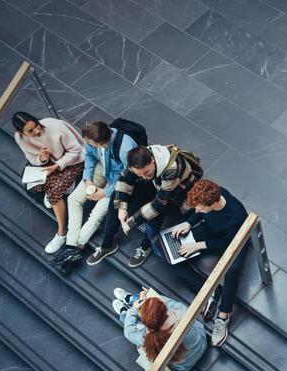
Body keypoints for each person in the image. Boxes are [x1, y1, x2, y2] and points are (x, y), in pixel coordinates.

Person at [87, 144, 202, 267]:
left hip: (180, 193)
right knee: (117, 195)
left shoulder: (172, 169)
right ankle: (107, 244)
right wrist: (121, 207)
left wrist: (131, 222)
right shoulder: (138, 159)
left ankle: (145, 246)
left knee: (155, 215)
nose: (144, 176)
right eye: (140, 174)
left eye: (146, 172)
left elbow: (159, 204)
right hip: (157, 184)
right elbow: (125, 179)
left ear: (152, 160)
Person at [172, 179, 248, 347]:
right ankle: (208, 291)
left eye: (200, 207)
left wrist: (198, 245)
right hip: (212, 231)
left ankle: (223, 315)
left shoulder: (237, 216)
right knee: (174, 256)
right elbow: (199, 212)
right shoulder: (214, 194)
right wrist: (188, 223)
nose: (196, 210)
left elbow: (228, 242)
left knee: (232, 270)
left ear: (213, 204)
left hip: (234, 240)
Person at [50, 122, 137, 268]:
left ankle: (76, 247)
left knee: (96, 214)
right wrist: (88, 180)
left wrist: (105, 192)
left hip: (117, 180)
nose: (88, 145)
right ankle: (71, 246)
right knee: (73, 199)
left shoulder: (126, 148)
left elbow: (129, 177)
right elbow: (90, 157)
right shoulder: (92, 137)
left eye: (91, 144)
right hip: (101, 168)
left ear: (103, 144)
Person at [12, 112, 85, 254]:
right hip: (50, 163)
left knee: (53, 194)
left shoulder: (55, 127)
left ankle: (62, 232)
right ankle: (61, 187)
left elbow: (76, 150)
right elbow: (32, 158)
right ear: (21, 133)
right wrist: (42, 159)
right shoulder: (19, 138)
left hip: (73, 161)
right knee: (33, 185)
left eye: (37, 126)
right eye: (31, 131)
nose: (37, 131)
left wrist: (57, 166)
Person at [112, 286, 207, 371]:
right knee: (150, 305)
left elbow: (129, 333)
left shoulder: (149, 338)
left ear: (149, 325)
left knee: (135, 322)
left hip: (180, 368)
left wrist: (134, 309)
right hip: (201, 344)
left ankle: (125, 312)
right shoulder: (181, 312)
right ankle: (131, 299)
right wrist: (151, 296)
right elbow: (167, 304)